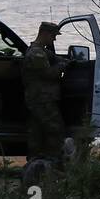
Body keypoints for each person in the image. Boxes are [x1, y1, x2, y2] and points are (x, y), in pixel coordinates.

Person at [23, 21, 70, 164]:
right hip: (42, 99)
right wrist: (63, 66)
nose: (54, 39)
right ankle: (53, 161)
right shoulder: (37, 53)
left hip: (38, 98)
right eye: (53, 36)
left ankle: (35, 161)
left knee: (36, 131)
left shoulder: (40, 51)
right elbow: (48, 74)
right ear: (44, 33)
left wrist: (61, 60)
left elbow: (52, 58)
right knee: (55, 129)